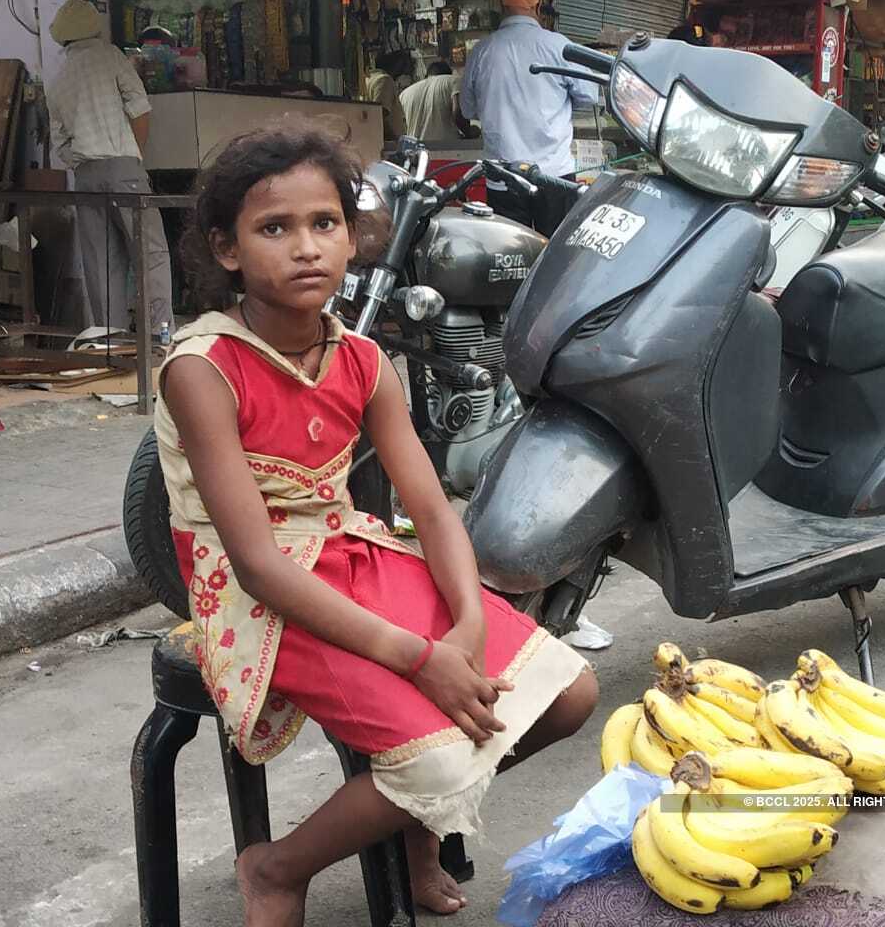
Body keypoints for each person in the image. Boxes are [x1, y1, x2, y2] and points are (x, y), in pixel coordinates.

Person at [157, 122, 598, 925]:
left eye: (325, 223)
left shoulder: (362, 360)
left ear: (352, 236)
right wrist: (420, 657)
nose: (306, 248)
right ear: (226, 249)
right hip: (261, 594)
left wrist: (466, 622)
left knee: (568, 694)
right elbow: (256, 563)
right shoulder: (203, 368)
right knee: (439, 756)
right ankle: (277, 867)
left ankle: (410, 828)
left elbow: (429, 507)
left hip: (351, 554)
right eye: (274, 228)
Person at [46, 0, 174, 336]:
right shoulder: (112, 57)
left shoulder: (58, 79)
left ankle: (109, 342)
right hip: (124, 169)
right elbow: (140, 109)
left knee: (101, 263)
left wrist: (87, 164)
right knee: (150, 256)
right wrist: (133, 157)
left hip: (86, 177)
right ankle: (160, 335)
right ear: (94, 28)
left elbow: (60, 143)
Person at [460, 0, 600, 224]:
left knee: (510, 247)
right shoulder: (559, 46)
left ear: (501, 4)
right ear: (538, 3)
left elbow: (467, 110)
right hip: (554, 175)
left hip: (504, 176)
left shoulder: (481, 51)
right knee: (555, 247)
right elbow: (589, 96)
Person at [398, 61, 478, 144]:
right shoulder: (455, 81)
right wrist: (469, 133)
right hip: (446, 146)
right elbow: (458, 112)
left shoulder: (404, 94)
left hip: (415, 148)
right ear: (448, 74)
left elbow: (400, 127)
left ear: (427, 76)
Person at [364, 50, 412, 143]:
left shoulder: (370, 78)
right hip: (388, 143)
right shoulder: (384, 80)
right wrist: (396, 139)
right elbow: (381, 116)